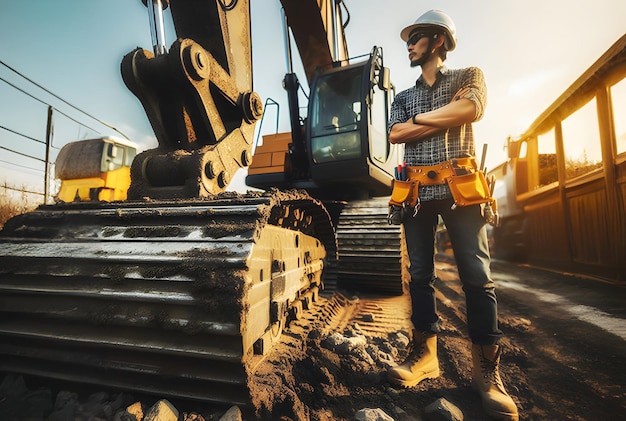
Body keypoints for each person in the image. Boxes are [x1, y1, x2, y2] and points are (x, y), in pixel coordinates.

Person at [386, 10, 519, 421]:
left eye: (416, 38)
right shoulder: (402, 97)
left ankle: (487, 374)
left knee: (478, 280)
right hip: (417, 196)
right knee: (420, 275)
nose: (408, 45)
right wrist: (442, 115)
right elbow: (395, 133)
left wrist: (420, 123)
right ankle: (425, 355)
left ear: (438, 40)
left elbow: (471, 110)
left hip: (462, 191)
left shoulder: (469, 76)